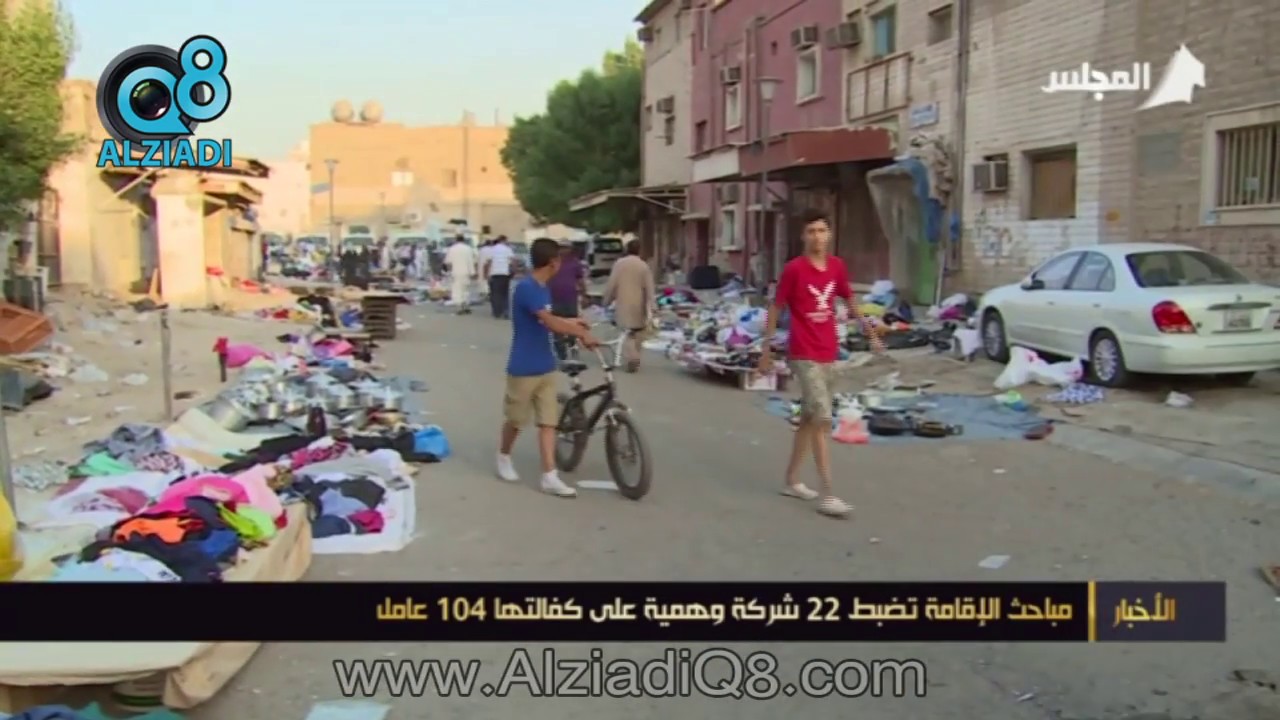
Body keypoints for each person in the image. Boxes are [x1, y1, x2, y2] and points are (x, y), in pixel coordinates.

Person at [754, 209, 883, 519]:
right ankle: (828, 494)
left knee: (810, 419)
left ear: (830, 234)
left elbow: (850, 302)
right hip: (803, 353)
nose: (817, 236)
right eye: (811, 231)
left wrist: (871, 333)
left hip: (829, 351)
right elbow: (776, 307)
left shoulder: (837, 267)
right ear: (803, 236)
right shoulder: (794, 270)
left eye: (822, 231)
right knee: (824, 419)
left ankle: (792, 480)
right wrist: (766, 350)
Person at [496, 238, 599, 497]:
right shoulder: (526, 288)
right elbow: (550, 323)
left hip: (546, 363)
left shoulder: (543, 288)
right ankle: (504, 455)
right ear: (553, 262)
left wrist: (572, 321)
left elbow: (547, 318)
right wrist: (579, 332)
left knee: (548, 422)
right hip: (523, 366)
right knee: (516, 420)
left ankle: (549, 475)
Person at [602, 239, 655, 373]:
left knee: (627, 332)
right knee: (637, 333)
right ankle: (635, 356)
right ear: (640, 250)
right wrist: (653, 305)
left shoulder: (619, 264)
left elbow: (612, 284)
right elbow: (649, 288)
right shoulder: (643, 266)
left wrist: (606, 301)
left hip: (623, 303)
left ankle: (632, 357)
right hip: (639, 304)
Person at [547, 240, 587, 361]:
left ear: (571, 249)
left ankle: (573, 349)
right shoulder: (552, 262)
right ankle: (561, 354)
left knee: (572, 325)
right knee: (557, 327)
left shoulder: (575, 263)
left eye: (566, 247)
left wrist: (584, 294)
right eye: (561, 247)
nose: (563, 250)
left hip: (570, 298)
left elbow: (580, 280)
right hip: (554, 298)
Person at [443, 235, 477, 313]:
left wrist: (449, 272)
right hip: (467, 272)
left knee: (457, 289)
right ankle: (466, 306)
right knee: (466, 289)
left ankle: (459, 307)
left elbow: (448, 263)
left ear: (456, 240)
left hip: (456, 272)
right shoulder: (468, 249)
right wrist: (473, 272)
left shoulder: (452, 249)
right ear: (463, 240)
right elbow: (473, 261)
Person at [484, 235, 515, 319]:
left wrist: (487, 274)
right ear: (504, 240)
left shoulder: (492, 249)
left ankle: (497, 312)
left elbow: (489, 262)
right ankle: (505, 312)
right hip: (504, 273)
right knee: (505, 293)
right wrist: (513, 271)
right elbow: (513, 261)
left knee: (496, 293)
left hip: (494, 273)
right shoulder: (507, 249)